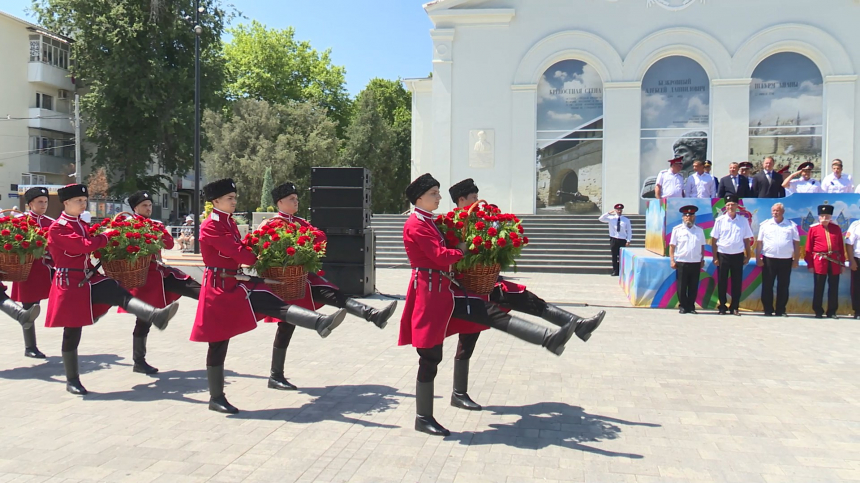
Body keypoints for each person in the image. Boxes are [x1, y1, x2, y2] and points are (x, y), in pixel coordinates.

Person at [399, 174, 597, 436]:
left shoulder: (431, 221)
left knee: (487, 315)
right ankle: (423, 417)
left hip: (444, 290)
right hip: (430, 292)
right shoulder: (416, 224)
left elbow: (445, 251)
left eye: (437, 192)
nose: (438, 197)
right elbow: (439, 256)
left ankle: (549, 338)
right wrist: (464, 249)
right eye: (434, 193)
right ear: (419, 198)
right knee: (430, 356)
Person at [447, 179, 605, 411]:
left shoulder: (478, 222)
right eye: (472, 199)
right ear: (462, 200)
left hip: (487, 284)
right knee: (467, 340)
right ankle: (458, 394)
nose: (476, 203)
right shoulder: (452, 225)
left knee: (526, 298)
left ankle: (577, 324)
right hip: (466, 290)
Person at [191, 178, 347, 414]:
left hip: (234, 281)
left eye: (234, 198)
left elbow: (243, 249)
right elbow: (240, 253)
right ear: (215, 201)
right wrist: (267, 256)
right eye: (230, 199)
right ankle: (216, 397)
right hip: (219, 286)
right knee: (218, 342)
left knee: (272, 301)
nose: (234, 202)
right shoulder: (212, 225)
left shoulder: (227, 222)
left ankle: (318, 322)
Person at [256, 182, 396, 391]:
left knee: (332, 293)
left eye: (297, 198)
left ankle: (372, 314)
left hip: (302, 277)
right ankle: (276, 376)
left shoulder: (299, 221)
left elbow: (320, 236)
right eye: (292, 199)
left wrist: (303, 240)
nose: (296, 201)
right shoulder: (272, 224)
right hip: (285, 281)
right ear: (280, 202)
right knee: (286, 326)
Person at [45, 184, 181, 395]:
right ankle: (72, 379)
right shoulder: (58, 227)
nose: (83, 204)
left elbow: (89, 244)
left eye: (84, 200)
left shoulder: (80, 223)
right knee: (72, 332)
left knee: (115, 289)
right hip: (68, 282)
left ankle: (155, 315)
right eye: (78, 201)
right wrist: (106, 236)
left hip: (87, 277)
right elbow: (83, 245)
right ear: (66, 203)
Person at [120, 191, 204, 374]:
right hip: (142, 276)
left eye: (150, 205)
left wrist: (155, 232)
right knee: (143, 321)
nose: (148, 208)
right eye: (144, 205)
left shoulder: (154, 224)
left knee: (195, 288)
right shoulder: (127, 225)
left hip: (160, 272)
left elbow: (169, 244)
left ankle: (215, 304)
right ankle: (139, 361)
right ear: (135, 208)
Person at [10, 187, 53, 358]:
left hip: (46, 270)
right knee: (29, 307)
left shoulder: (51, 222)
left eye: (45, 202)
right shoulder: (21, 221)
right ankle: (30, 347)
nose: (43, 205)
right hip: (26, 271)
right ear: (30, 204)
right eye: (40, 202)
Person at [711, 194, 753, 315]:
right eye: (728, 205)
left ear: (737, 206)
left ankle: (735, 306)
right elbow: (714, 240)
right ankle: (722, 306)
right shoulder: (720, 220)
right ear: (725, 206)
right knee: (722, 281)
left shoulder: (743, 221)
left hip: (738, 255)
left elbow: (746, 239)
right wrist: (715, 257)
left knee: (737, 282)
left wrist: (748, 255)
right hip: (723, 254)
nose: (731, 207)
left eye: (733, 204)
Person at [756, 203, 800, 317]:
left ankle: (780, 310)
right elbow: (759, 242)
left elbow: (796, 243)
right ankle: (768, 309)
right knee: (767, 285)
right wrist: (758, 258)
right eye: (774, 211)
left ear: (783, 212)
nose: (775, 213)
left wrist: (796, 260)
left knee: (783, 285)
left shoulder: (791, 225)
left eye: (778, 211)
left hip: (786, 259)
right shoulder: (765, 225)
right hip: (769, 258)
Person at [804, 204, 845, 318]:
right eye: (822, 216)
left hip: (835, 262)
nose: (824, 218)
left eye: (827, 216)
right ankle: (818, 310)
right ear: (819, 217)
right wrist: (810, 264)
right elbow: (808, 248)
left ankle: (832, 311)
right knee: (819, 286)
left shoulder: (836, 228)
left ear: (830, 216)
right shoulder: (813, 229)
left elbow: (841, 247)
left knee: (833, 287)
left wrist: (842, 263)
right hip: (820, 261)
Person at [669, 205, 706, 314]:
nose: (688, 218)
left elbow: (702, 246)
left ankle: (691, 306)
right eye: (686, 216)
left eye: (690, 216)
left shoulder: (699, 230)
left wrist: (702, 259)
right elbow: (672, 246)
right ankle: (683, 306)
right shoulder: (677, 230)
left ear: (694, 217)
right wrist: (672, 260)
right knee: (681, 286)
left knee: (693, 286)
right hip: (682, 262)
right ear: (683, 217)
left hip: (695, 262)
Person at [598, 203, 632, 276]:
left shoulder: (626, 220)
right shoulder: (611, 218)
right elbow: (600, 219)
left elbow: (629, 230)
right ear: (615, 210)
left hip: (622, 239)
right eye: (618, 210)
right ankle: (615, 271)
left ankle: (621, 270)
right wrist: (608, 213)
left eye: (620, 210)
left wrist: (628, 240)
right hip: (614, 238)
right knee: (614, 255)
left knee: (621, 256)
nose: (619, 211)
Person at [845, 218, 860, 319]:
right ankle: (858, 311)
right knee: (857, 287)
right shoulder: (855, 225)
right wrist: (851, 260)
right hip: (858, 259)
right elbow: (849, 243)